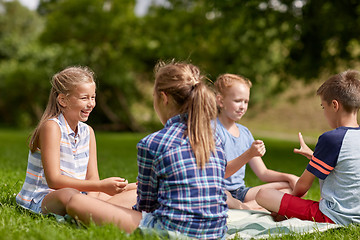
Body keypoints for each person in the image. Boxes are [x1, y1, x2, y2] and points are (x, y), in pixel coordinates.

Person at [66, 61, 228, 239]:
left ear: (164, 98)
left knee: (76, 202)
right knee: (127, 194)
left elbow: (146, 206)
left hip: (171, 230)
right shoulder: (214, 139)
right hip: (217, 230)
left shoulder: (153, 142)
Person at [16, 66, 136, 216]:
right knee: (69, 195)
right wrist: (100, 187)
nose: (91, 103)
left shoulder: (88, 132)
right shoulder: (52, 127)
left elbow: (92, 177)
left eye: (93, 97)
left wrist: (98, 190)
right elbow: (54, 180)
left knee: (138, 191)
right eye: (84, 98)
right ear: (63, 100)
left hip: (81, 194)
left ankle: (93, 209)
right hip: (44, 197)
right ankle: (99, 209)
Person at [256, 70, 360, 225]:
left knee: (263, 194)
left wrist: (285, 208)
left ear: (334, 105)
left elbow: (302, 186)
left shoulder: (332, 139)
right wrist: (314, 156)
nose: (324, 113)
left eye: (323, 107)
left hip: (334, 217)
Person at [214, 73, 299, 210]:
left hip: (240, 192)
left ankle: (245, 207)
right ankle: (250, 207)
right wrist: (249, 154)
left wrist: (289, 177)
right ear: (221, 101)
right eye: (237, 101)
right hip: (219, 190)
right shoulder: (212, 130)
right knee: (222, 195)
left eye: (246, 102)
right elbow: (219, 173)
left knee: (291, 188)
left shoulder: (245, 133)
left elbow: (263, 173)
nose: (242, 106)